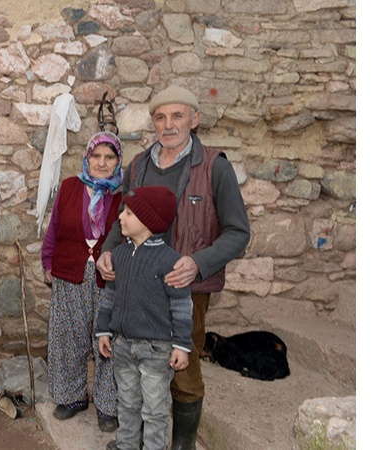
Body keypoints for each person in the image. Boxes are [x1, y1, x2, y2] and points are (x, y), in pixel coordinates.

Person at [96, 86, 251, 450]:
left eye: (178, 116)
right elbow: (124, 219)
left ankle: (181, 445)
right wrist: (107, 251)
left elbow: (238, 232)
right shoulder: (139, 165)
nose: (168, 125)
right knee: (132, 368)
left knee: (183, 366)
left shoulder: (215, 166)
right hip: (136, 282)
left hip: (185, 287)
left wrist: (197, 263)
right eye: (161, 117)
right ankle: (133, 440)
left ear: (194, 119)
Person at [95, 185, 193, 450]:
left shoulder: (170, 261)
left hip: (156, 351)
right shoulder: (119, 255)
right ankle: (126, 446)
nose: (120, 218)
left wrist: (182, 345)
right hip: (123, 346)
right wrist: (103, 330)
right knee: (126, 405)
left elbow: (182, 305)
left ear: (148, 222)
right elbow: (109, 296)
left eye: (128, 213)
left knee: (154, 411)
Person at [41, 131, 123, 431]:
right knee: (67, 336)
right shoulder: (70, 187)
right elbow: (55, 228)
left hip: (108, 277)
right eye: (96, 156)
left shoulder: (123, 194)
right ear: (87, 158)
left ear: (117, 162)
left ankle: (107, 404)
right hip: (70, 270)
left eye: (109, 157)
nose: (101, 163)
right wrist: (47, 261)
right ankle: (72, 397)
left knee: (107, 340)